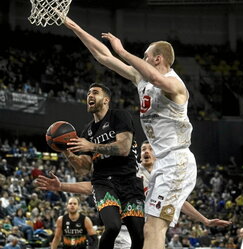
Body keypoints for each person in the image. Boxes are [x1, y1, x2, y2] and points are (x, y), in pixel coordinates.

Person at [56, 15, 215, 249]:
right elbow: (103, 56)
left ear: (157, 58)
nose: (142, 60)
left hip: (177, 159)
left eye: (145, 57)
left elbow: (153, 76)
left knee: (153, 228)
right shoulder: (142, 79)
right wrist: (73, 26)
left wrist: (122, 50)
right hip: (163, 162)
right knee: (148, 229)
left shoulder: (175, 86)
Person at [37, 141, 231, 248]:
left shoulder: (162, 178)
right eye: (143, 149)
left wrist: (204, 220)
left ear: (157, 155)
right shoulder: (130, 172)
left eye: (150, 148)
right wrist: (62, 186)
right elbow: (93, 186)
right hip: (125, 229)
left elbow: (180, 203)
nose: (146, 151)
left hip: (149, 232)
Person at [57, 83, 145, 249]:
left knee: (139, 236)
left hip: (129, 181)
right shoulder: (87, 131)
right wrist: (66, 151)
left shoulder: (120, 116)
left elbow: (124, 148)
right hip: (103, 183)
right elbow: (83, 168)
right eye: (88, 93)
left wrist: (91, 146)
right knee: (113, 227)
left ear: (106, 100)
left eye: (95, 93)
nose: (90, 95)